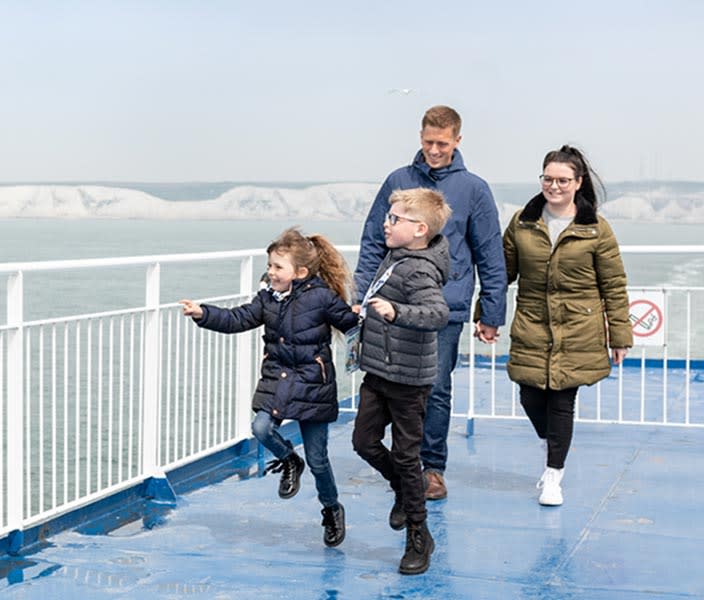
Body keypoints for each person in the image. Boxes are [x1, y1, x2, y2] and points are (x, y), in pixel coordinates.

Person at [354, 105, 508, 501]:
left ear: (458, 140)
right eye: (427, 142)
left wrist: (491, 312)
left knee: (434, 388)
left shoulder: (474, 189)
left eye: (442, 143)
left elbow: (489, 252)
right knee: (382, 384)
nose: (434, 150)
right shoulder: (398, 180)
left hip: (445, 308)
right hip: (388, 305)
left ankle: (432, 469)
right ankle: (399, 465)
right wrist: (360, 295)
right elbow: (374, 239)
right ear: (419, 138)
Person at [179, 228, 360, 548]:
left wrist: (363, 319)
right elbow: (237, 319)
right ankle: (290, 460)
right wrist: (203, 313)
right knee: (261, 428)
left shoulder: (320, 297)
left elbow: (350, 324)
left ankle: (332, 509)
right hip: (278, 380)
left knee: (319, 460)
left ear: (300, 272)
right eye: (270, 266)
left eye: (278, 267)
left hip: (313, 385)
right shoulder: (267, 300)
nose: (271, 272)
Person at [502, 145, 631, 506]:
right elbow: (503, 274)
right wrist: (487, 315)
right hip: (532, 324)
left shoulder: (596, 229)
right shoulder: (522, 222)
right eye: (548, 178)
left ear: (578, 182)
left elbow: (614, 284)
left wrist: (619, 335)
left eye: (562, 180)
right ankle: (552, 445)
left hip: (578, 328)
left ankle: (554, 476)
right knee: (529, 395)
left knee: (562, 399)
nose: (554, 186)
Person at [351, 188, 451, 575]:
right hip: (378, 371)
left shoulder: (420, 268)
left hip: (408, 380)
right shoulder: (396, 257)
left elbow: (437, 313)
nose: (386, 223)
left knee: (408, 457)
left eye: (395, 219)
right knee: (363, 441)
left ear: (420, 229)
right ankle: (403, 490)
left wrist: (396, 312)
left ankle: (418, 534)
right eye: (388, 217)